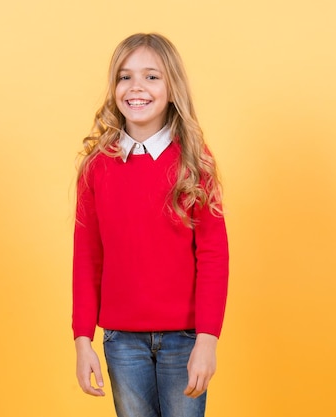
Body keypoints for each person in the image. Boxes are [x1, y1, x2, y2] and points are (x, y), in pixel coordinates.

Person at [72, 33, 229, 417]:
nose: (136, 87)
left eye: (152, 77)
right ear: (114, 88)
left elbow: (213, 256)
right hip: (121, 343)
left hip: (185, 340)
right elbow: (87, 257)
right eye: (125, 77)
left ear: (172, 88)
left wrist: (207, 341)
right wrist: (82, 339)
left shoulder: (195, 162)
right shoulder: (96, 166)